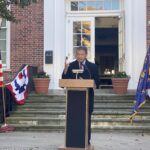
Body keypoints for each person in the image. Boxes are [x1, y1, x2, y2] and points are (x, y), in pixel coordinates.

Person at [62, 46, 99, 145]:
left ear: (86, 55)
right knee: (73, 120)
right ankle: (72, 141)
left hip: (87, 99)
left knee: (86, 120)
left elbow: (97, 83)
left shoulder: (92, 66)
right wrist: (65, 70)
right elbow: (64, 80)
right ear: (75, 54)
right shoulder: (70, 66)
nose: (80, 56)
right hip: (73, 100)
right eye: (78, 54)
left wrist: (87, 83)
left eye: (82, 54)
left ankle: (86, 141)